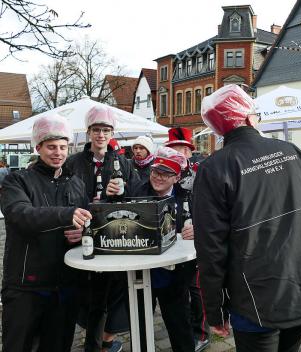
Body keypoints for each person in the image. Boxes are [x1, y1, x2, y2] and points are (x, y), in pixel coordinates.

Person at [193, 84, 301, 352]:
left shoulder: (213, 168)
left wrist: (213, 312)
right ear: (250, 117)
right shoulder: (291, 151)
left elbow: (210, 249)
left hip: (258, 298)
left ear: (217, 129)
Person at [1, 114, 91, 352]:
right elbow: (20, 214)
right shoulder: (17, 180)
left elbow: (85, 220)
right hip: (26, 284)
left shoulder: (76, 183)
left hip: (65, 283)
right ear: (38, 147)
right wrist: (65, 214)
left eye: (63, 147)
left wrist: (81, 232)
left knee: (58, 345)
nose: (58, 152)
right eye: (51, 147)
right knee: (18, 346)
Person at [107, 146, 196, 352]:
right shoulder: (135, 190)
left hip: (175, 274)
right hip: (138, 272)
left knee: (179, 324)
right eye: (156, 172)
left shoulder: (189, 197)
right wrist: (110, 194)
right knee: (139, 325)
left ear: (177, 178)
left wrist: (198, 229)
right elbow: (113, 212)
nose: (158, 177)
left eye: (166, 174)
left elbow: (208, 222)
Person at [67, 105, 140, 352]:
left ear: (111, 133)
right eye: (96, 130)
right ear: (89, 132)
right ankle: (93, 342)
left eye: (106, 130)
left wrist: (120, 193)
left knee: (110, 292)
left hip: (112, 235)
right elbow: (64, 197)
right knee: (86, 293)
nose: (101, 135)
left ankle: (99, 343)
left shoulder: (122, 162)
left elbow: (135, 196)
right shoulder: (73, 162)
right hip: (81, 234)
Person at [165, 127, 210, 351]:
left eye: (181, 149)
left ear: (189, 152)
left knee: (196, 287)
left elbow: (214, 208)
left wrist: (200, 228)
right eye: (173, 149)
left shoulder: (201, 173)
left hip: (195, 240)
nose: (178, 153)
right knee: (179, 288)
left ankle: (201, 332)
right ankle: (182, 329)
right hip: (172, 241)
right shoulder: (163, 172)